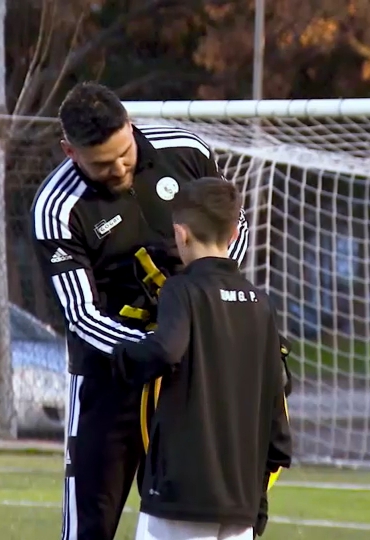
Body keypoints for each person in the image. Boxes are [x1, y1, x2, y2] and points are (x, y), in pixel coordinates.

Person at [31, 82, 249, 540]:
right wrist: (158, 347)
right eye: (101, 164)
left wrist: (201, 315)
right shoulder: (56, 207)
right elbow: (82, 314)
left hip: (187, 378)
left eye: (124, 153)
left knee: (195, 518)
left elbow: (233, 231)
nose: (119, 168)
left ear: (130, 125)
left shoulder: (186, 152)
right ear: (70, 151)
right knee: (90, 527)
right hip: (110, 380)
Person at [111, 177, 293, 540]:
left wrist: (122, 355)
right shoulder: (260, 304)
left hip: (181, 493)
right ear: (234, 236)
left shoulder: (182, 289)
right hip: (240, 500)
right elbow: (279, 397)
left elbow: (166, 349)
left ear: (181, 234)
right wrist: (258, 502)